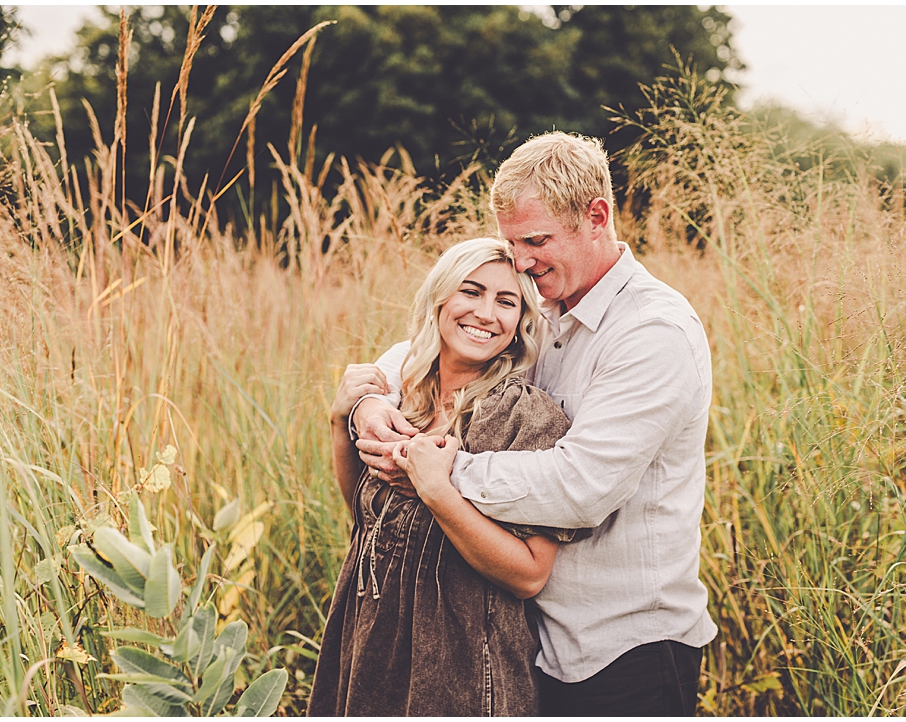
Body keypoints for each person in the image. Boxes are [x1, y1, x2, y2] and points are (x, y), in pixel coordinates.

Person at [352, 131, 718, 716]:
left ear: (596, 217)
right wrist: (365, 397)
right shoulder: (546, 307)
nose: (520, 261)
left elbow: (579, 488)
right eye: (511, 242)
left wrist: (442, 472)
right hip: (535, 647)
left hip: (628, 654)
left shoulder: (653, 332)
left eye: (536, 240)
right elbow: (436, 351)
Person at [308, 237, 584, 716]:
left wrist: (437, 490)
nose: (485, 313)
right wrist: (340, 422)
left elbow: (529, 575)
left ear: (520, 324)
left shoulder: (525, 418)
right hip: (369, 639)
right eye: (471, 292)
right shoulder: (403, 397)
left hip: (462, 666)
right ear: (439, 299)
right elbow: (367, 520)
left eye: (506, 301)